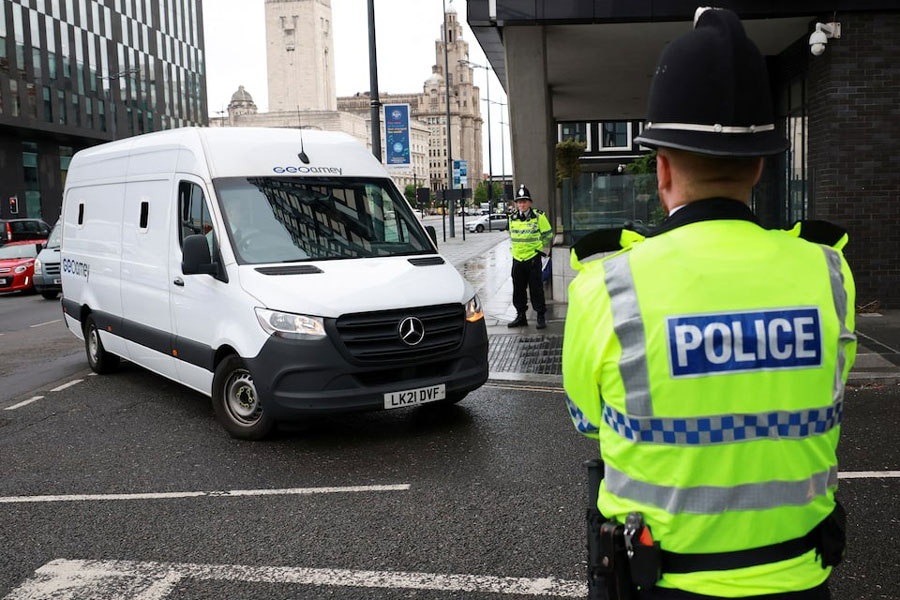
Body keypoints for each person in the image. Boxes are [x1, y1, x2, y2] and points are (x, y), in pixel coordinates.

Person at [563, 8, 856, 600]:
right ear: (758, 166)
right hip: (800, 578)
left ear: (661, 169)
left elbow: (589, 420)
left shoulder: (606, 285)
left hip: (658, 583)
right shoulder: (828, 272)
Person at [507, 184, 553, 329]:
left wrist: (539, 249)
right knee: (518, 289)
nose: (522, 204)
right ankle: (521, 316)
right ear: (516, 203)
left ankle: (540, 316)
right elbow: (512, 236)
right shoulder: (512, 218)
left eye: (524, 201)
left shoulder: (539, 216)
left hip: (533, 259)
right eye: (519, 201)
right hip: (518, 259)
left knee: (536, 289)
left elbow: (548, 235)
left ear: (530, 203)